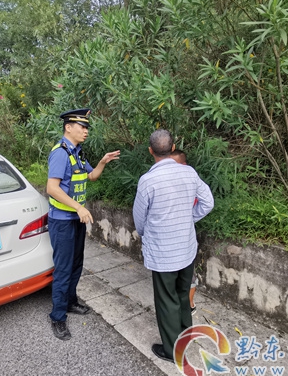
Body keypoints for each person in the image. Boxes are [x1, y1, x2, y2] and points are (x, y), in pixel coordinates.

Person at [133, 129, 214, 362]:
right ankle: (185, 336)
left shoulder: (148, 180)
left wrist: (145, 233)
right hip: (186, 249)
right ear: (173, 147)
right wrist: (189, 218)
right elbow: (208, 202)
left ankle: (172, 350)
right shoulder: (189, 173)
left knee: (166, 299)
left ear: (150, 151)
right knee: (182, 293)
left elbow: (139, 217)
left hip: (163, 253)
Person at [46, 108, 120, 341]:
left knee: (76, 264)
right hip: (62, 221)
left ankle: (70, 302)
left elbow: (91, 176)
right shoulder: (60, 153)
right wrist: (79, 207)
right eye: (82, 127)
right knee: (64, 268)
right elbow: (52, 188)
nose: (86, 131)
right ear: (68, 127)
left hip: (76, 220)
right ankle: (58, 316)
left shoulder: (77, 152)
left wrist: (102, 162)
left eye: (87, 127)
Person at [170, 149, 199, 316]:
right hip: (170, 237)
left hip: (185, 237)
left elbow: (206, 203)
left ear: (184, 165)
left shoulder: (191, 182)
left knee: (189, 274)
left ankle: (189, 304)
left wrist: (190, 218)